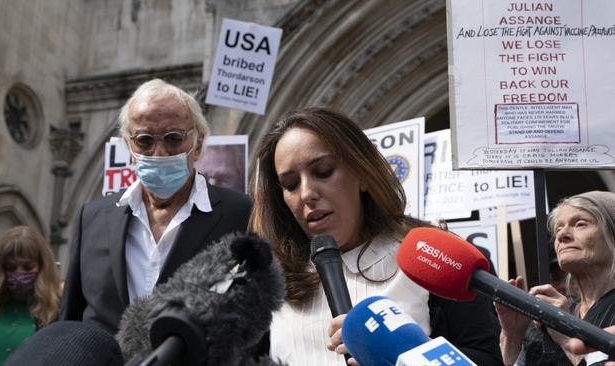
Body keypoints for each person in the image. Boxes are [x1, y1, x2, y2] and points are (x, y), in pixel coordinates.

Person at [248, 107, 502, 366]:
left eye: (323, 171)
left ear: (362, 174)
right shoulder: (269, 283)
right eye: (290, 185)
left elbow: (489, 358)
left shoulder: (432, 258)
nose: (306, 194)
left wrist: (402, 356)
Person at [60, 78, 252, 334]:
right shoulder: (92, 218)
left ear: (198, 143)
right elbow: (70, 322)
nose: (159, 153)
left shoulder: (238, 213)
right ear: (129, 147)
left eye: (173, 138)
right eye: (144, 140)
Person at [497, 191, 615, 366]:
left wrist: (567, 338)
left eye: (580, 224)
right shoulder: (546, 319)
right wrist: (512, 337)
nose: (562, 235)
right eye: (558, 229)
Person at [0, 226, 61, 365]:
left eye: (28, 267)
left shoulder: (57, 311)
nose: (19, 274)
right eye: (11, 267)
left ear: (42, 267)